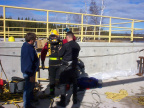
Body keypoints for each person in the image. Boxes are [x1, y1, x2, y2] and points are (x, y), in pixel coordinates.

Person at [57, 32, 80, 107]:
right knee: (74, 83)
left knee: (63, 84)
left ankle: (63, 102)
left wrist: (60, 49)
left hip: (65, 67)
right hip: (73, 67)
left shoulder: (66, 45)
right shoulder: (77, 45)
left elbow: (60, 54)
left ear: (67, 36)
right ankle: (75, 99)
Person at [41, 29, 62, 96]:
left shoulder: (61, 43)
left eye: (54, 36)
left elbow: (71, 39)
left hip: (59, 65)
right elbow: (43, 53)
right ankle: (52, 92)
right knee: (52, 80)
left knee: (59, 80)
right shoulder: (48, 44)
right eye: (52, 36)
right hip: (52, 65)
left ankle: (62, 94)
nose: (53, 38)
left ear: (58, 36)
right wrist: (42, 62)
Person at [21, 33, 39, 108]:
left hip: (30, 71)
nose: (35, 41)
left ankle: (30, 99)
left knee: (31, 87)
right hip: (29, 72)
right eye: (34, 39)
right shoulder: (29, 49)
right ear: (31, 40)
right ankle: (27, 105)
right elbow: (28, 63)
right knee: (27, 89)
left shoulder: (26, 46)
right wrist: (31, 75)